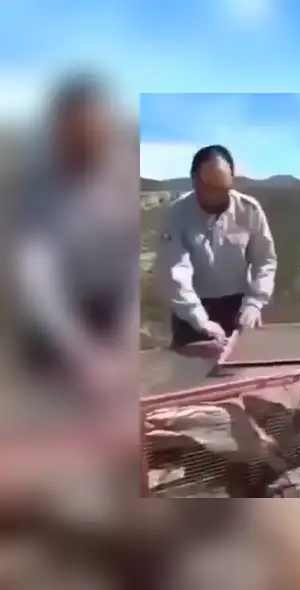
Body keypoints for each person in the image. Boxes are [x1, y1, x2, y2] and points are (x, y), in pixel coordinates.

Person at [13, 74, 137, 403]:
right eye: (78, 129)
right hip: (53, 324)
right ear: (60, 130)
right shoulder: (36, 185)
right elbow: (37, 279)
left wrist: (124, 338)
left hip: (109, 312)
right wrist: (81, 354)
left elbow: (129, 265)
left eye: (96, 127)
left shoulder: (121, 176)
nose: (88, 137)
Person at [155, 145, 278, 352]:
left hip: (238, 307)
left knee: (240, 372)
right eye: (211, 189)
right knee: (191, 376)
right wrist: (199, 319)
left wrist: (255, 302)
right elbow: (176, 271)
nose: (219, 198)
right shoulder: (177, 215)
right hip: (192, 307)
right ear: (195, 181)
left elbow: (264, 259)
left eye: (224, 189)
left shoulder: (249, 210)